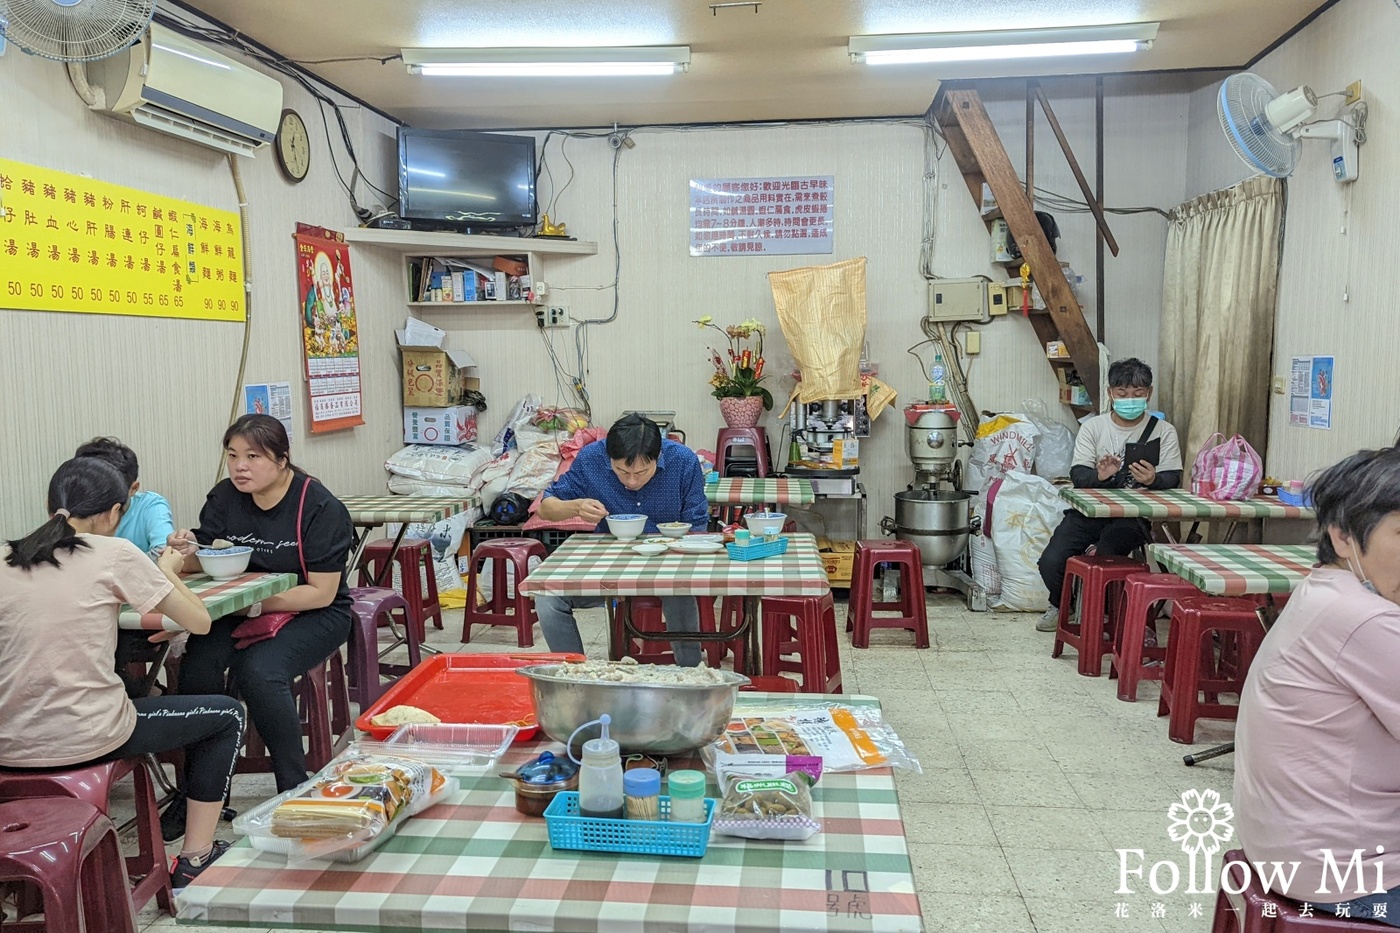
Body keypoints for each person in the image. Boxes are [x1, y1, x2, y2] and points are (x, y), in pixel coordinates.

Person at [0, 458, 245, 890]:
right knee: (227, 716)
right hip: (87, 739)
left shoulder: (6, 556)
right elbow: (200, 621)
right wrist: (166, 570)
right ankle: (195, 858)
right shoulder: (114, 554)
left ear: (47, 504)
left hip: (8, 743)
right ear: (116, 512)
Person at [1234, 448, 1400, 921]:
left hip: (1288, 843)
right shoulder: (1365, 619)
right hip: (1350, 870)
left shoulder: (1326, 588)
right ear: (1344, 536)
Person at [167, 414, 353, 798]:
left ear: (282, 459)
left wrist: (253, 607)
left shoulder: (318, 506)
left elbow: (321, 592)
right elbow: (202, 557)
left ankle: (293, 788)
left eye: (253, 456)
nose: (240, 466)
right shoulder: (224, 497)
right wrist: (182, 549)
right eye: (233, 455)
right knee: (197, 666)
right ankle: (198, 793)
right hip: (241, 607)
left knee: (260, 670)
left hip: (315, 612)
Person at [535, 413, 710, 666]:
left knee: (680, 593)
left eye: (642, 472)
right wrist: (576, 506)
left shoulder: (683, 461)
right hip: (608, 564)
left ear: (658, 456)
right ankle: (575, 674)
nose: (631, 481)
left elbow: (697, 526)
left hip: (667, 563)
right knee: (548, 597)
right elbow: (545, 508)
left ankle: (693, 675)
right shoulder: (590, 458)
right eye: (621, 471)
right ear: (608, 456)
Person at [1035, 358, 1183, 631]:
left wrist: (1153, 479)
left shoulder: (1164, 431)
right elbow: (1079, 476)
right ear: (1110, 394)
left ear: (1148, 394)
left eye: (1138, 394)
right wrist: (1101, 476)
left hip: (1134, 518)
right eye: (1122, 394)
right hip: (1088, 513)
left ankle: (1103, 614)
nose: (1130, 400)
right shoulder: (1094, 428)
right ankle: (1060, 604)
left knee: (1106, 556)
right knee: (1051, 561)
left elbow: (1173, 477)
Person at [74, 436, 181, 697]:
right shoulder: (74, 513)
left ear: (133, 488)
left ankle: (145, 698)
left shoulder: (149, 506)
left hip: (138, 615)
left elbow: (163, 553)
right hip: (91, 613)